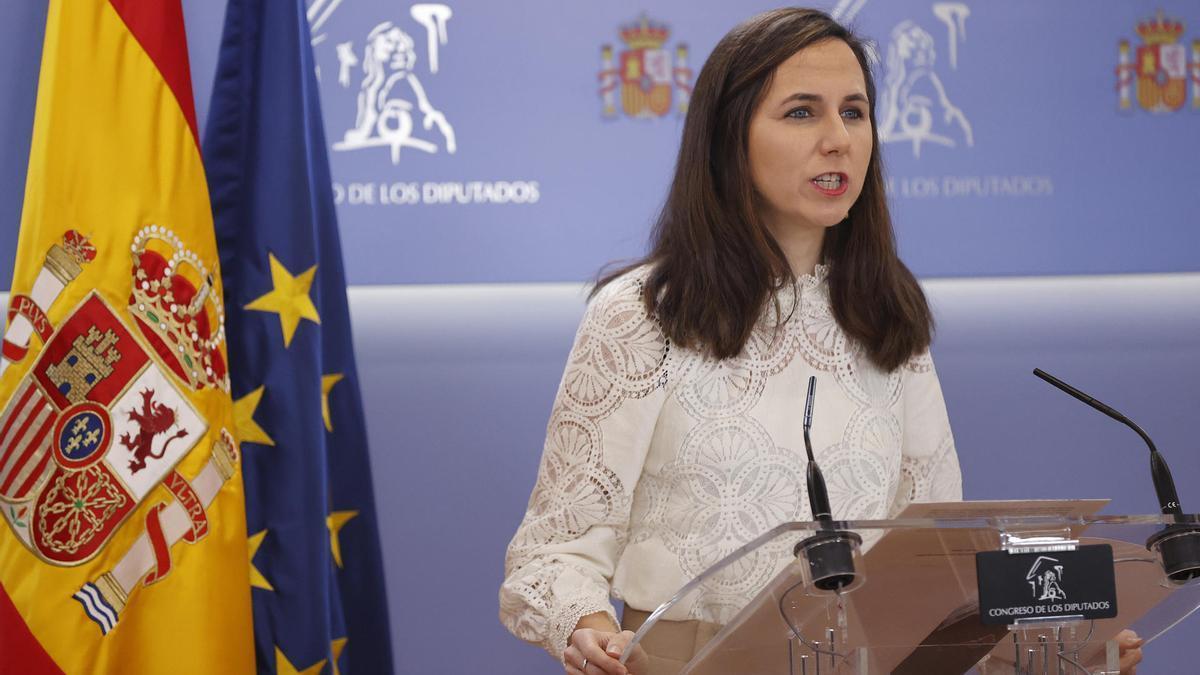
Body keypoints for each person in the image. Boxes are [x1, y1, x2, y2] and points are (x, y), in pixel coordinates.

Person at [499, 9, 1139, 675]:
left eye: (854, 112)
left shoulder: (885, 311)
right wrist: (587, 626)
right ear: (729, 136)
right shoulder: (644, 313)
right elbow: (555, 549)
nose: (839, 139)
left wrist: (1059, 650)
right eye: (802, 112)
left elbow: (934, 561)